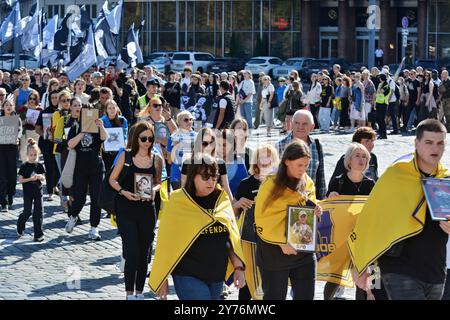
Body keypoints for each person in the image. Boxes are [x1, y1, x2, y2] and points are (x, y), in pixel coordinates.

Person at [349, 119, 450, 300]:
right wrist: (360, 265)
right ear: (416, 143)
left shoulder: (446, 179)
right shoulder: (396, 174)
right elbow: (370, 220)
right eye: (429, 142)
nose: (435, 148)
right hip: (400, 268)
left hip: (436, 270)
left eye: (440, 143)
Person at [149, 154, 245, 300]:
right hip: (188, 274)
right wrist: (162, 277)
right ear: (193, 176)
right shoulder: (178, 201)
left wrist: (238, 267)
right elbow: (166, 242)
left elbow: (231, 237)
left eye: (214, 177)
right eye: (205, 176)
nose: (211, 181)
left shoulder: (222, 198)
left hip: (217, 275)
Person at [255, 140, 323, 300]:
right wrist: (282, 242)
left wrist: (317, 210)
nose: (303, 170)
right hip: (274, 252)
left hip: (303, 251)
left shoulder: (307, 181)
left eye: (306, 165)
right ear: (286, 161)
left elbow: (310, 203)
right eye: (299, 165)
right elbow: (262, 219)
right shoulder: (270, 185)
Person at [109, 121, 162, 300]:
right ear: (136, 138)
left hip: (147, 209)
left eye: (150, 138)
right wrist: (123, 192)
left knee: (143, 252)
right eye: (143, 138)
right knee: (131, 251)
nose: (147, 142)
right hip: (127, 208)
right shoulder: (126, 156)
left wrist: (153, 192)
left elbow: (158, 183)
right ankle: (129, 293)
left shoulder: (156, 159)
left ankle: (139, 293)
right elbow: (113, 179)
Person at [325, 143, 377, 300]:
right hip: (342, 237)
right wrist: (331, 196)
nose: (361, 160)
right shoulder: (338, 181)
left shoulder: (370, 183)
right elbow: (328, 208)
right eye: (357, 156)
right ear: (348, 160)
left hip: (363, 237)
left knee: (368, 277)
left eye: (364, 157)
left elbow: (374, 210)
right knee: (335, 277)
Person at [234, 144, 279, 300]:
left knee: (271, 281)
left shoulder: (279, 184)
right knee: (248, 279)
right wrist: (238, 203)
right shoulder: (246, 183)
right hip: (249, 239)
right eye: (261, 156)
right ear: (255, 161)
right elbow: (232, 212)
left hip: (273, 240)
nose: (265, 160)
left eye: (268, 156)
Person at [65, 100, 108, 240]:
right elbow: (70, 144)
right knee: (80, 198)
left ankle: (94, 228)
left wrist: (101, 126)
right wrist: (82, 132)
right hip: (80, 168)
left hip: (96, 167)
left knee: (97, 199)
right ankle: (73, 216)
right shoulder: (76, 127)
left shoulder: (96, 126)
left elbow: (104, 138)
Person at [275, 110, 327, 200]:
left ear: (312, 127)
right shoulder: (280, 146)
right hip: (285, 200)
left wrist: (321, 200)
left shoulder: (317, 146)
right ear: (291, 124)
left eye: (304, 124)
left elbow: (321, 177)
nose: (300, 127)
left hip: (310, 201)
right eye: (297, 123)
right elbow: (274, 176)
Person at [181, 128, 233, 202]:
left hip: (214, 204)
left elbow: (226, 188)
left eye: (211, 143)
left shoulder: (220, 163)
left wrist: (232, 209)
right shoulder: (188, 163)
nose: (208, 147)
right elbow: (184, 189)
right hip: (193, 203)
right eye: (204, 143)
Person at [16, 139, 46, 242]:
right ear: (27, 155)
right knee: (27, 212)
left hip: (38, 192)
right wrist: (30, 179)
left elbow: (43, 177)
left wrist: (40, 177)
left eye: (35, 155)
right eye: (31, 155)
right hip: (28, 193)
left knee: (38, 213)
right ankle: (20, 224)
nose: (33, 157)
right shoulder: (24, 166)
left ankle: (38, 235)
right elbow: (20, 180)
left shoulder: (39, 165)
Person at [35, 90, 60, 202]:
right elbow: (37, 128)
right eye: (53, 97)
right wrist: (45, 135)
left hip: (60, 144)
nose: (55, 99)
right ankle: (50, 192)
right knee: (50, 168)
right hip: (47, 144)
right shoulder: (45, 112)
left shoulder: (63, 112)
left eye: (56, 97)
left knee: (58, 167)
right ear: (50, 99)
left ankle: (55, 186)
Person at [0, 99, 22, 212]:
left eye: (10, 105)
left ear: (13, 107)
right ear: (3, 107)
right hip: (1, 149)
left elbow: (19, 133)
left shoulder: (17, 119)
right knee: (2, 175)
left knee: (12, 175)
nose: (8, 107)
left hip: (13, 149)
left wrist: (18, 139)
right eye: (6, 105)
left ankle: (10, 196)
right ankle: (3, 201)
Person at [167, 111, 197, 190]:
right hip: (177, 176)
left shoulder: (198, 136)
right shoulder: (173, 137)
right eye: (186, 120)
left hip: (193, 175)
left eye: (191, 119)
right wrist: (175, 146)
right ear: (179, 122)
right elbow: (169, 161)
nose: (189, 122)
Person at [100, 100, 129, 173]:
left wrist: (124, 145)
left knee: (118, 172)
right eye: (109, 108)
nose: (112, 110)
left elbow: (125, 136)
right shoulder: (102, 121)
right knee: (108, 171)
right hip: (106, 152)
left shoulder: (122, 120)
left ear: (117, 108)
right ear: (106, 110)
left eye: (114, 107)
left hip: (119, 151)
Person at [19, 90, 42, 162]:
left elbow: (42, 123)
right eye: (30, 98)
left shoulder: (40, 109)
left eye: (34, 99)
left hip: (36, 132)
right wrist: (24, 121)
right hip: (26, 132)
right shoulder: (23, 109)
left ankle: (34, 168)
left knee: (35, 150)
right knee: (23, 150)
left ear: (37, 100)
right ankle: (24, 167)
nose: (32, 100)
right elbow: (19, 122)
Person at [374, 73, 390, 139]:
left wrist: (379, 91)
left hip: (383, 103)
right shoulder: (380, 84)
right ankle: (380, 132)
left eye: (379, 78)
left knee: (381, 119)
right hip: (378, 102)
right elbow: (377, 93)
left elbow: (382, 92)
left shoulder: (386, 85)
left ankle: (384, 134)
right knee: (378, 118)